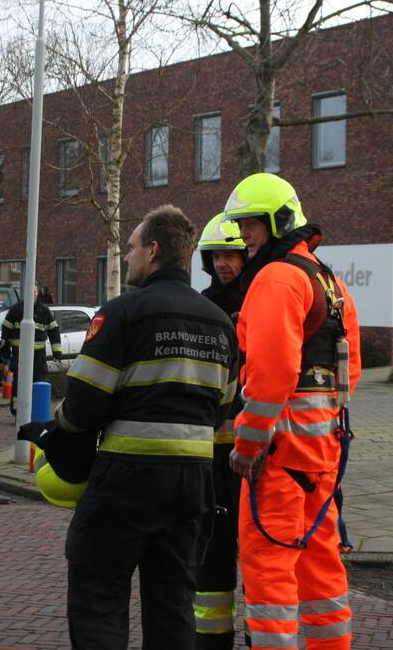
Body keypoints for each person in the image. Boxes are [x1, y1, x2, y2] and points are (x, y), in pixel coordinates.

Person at [57, 204, 239, 650]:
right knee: (173, 601)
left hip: (127, 478)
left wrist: (55, 431)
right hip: (194, 487)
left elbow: (82, 405)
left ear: (154, 250)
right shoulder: (220, 324)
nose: (128, 255)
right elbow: (224, 410)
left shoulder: (123, 312)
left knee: (100, 593)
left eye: (132, 247)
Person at [223, 173, 362, 650]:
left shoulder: (277, 277)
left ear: (276, 223)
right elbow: (352, 370)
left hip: (278, 456)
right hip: (323, 453)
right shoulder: (330, 280)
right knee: (320, 564)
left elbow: (272, 371)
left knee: (268, 569)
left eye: (249, 227)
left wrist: (249, 442)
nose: (244, 238)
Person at [193, 214, 248, 649]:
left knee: (257, 551)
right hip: (211, 448)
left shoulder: (260, 295)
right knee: (211, 544)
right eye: (217, 256)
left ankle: (263, 632)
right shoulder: (203, 302)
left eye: (232, 254)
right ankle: (212, 639)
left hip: (253, 446)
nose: (224, 263)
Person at [0, 285, 62, 415]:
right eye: (30, 292)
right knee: (18, 383)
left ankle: (35, 409)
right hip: (19, 354)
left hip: (38, 355)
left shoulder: (43, 310)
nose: (32, 295)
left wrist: (57, 352)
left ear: (37, 294)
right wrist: (5, 349)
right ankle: (17, 410)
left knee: (38, 381)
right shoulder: (16, 310)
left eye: (34, 292)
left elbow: (54, 330)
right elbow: (6, 330)